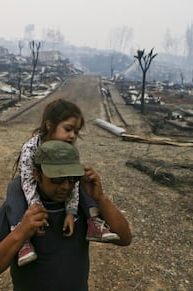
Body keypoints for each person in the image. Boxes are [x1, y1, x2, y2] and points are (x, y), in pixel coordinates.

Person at [0, 140, 132, 290]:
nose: (66, 186)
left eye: (72, 179)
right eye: (57, 179)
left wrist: (100, 198)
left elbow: (124, 238)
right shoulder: (18, 209)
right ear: (37, 175)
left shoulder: (82, 204)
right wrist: (21, 232)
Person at [10, 99, 119, 266]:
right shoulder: (30, 148)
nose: (72, 136)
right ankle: (21, 238)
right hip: (34, 189)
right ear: (49, 125)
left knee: (84, 177)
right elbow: (28, 183)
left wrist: (71, 212)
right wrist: (37, 209)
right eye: (68, 129)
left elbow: (72, 181)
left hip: (65, 197)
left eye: (76, 132)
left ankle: (93, 221)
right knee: (14, 189)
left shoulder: (69, 150)